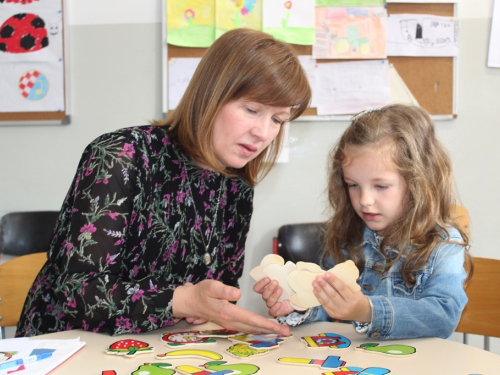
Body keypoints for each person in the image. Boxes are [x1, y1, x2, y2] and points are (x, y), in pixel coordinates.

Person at [16, 28, 311, 337]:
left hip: (155, 351)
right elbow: (78, 294)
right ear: (211, 94)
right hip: (63, 349)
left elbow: (220, 288)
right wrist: (183, 301)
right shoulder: (120, 156)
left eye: (277, 120)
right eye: (252, 110)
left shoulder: (236, 188)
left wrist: (268, 302)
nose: (263, 133)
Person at [254, 104, 473, 340]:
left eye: (380, 186)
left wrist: (367, 311)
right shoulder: (349, 236)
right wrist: (299, 306)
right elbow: (329, 305)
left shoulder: (443, 243)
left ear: (418, 183)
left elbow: (443, 316)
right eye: (353, 185)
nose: (365, 200)